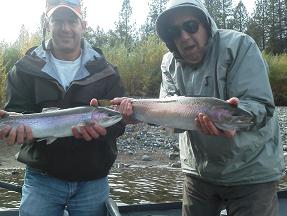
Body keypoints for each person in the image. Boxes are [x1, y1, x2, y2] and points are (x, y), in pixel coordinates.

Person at [112, 0, 285, 215]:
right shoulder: (169, 63)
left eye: (191, 26)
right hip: (199, 172)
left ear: (205, 24)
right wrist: (138, 114)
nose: (184, 36)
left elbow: (261, 105)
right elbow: (167, 112)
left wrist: (240, 116)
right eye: (174, 31)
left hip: (251, 170)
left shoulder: (240, 45)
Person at [0, 0, 125, 215]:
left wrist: (101, 132)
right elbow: (16, 111)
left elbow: (119, 122)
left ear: (83, 25)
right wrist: (19, 133)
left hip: (92, 179)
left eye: (71, 20)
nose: (65, 28)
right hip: (41, 178)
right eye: (57, 21)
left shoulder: (106, 71)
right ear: (48, 24)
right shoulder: (24, 69)